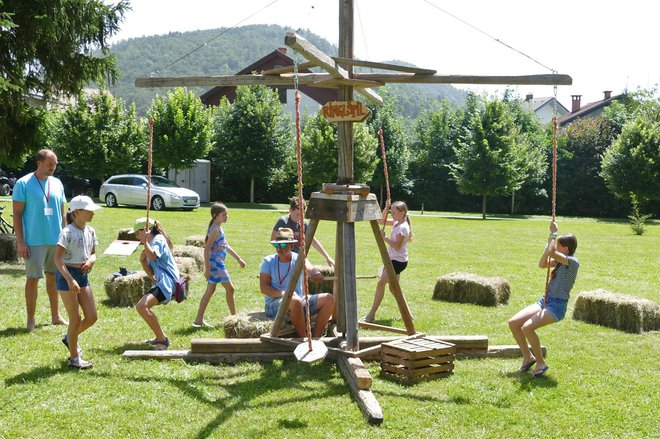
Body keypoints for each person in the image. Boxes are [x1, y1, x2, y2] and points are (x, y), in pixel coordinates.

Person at [508, 221, 579, 377]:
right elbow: (542, 264)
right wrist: (551, 242)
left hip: (557, 306)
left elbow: (552, 252)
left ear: (565, 249)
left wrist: (553, 234)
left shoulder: (572, 263)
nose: (555, 246)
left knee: (527, 327)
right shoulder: (559, 262)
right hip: (545, 301)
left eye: (559, 245)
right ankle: (528, 357)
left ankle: (540, 363)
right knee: (514, 323)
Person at [12, 149, 68, 329]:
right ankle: (30, 320)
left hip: (55, 240)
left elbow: (62, 212)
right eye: (50, 164)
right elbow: (17, 214)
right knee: (33, 279)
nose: (53, 167)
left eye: (55, 164)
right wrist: (20, 241)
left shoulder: (57, 183)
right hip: (34, 241)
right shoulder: (23, 183)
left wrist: (66, 236)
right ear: (39, 163)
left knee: (54, 278)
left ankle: (55, 316)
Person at [54, 196, 102, 369]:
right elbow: (57, 259)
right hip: (67, 275)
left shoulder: (90, 231)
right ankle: (74, 358)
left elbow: (94, 253)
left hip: (82, 276)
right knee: (75, 318)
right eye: (88, 210)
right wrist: (70, 279)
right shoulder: (67, 232)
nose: (92, 213)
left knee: (91, 317)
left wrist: (91, 261)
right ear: (76, 212)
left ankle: (70, 338)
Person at [260, 228, 335, 338]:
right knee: (295, 300)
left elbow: (311, 270)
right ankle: (304, 339)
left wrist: (316, 274)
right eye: (277, 246)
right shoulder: (268, 261)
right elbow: (264, 288)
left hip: (298, 301)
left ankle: (316, 338)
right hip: (274, 304)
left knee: (329, 299)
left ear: (291, 246)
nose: (280, 249)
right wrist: (283, 294)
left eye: (284, 246)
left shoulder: (299, 258)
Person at [193, 202, 246, 327]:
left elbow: (225, 246)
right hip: (216, 265)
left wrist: (238, 259)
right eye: (224, 214)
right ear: (215, 216)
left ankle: (198, 320)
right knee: (230, 289)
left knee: (210, 290)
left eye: (227, 214)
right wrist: (207, 270)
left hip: (216, 263)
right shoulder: (215, 230)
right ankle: (235, 319)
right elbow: (206, 249)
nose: (226, 216)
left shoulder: (218, 228)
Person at [134, 217, 180, 350]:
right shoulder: (151, 243)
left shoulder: (158, 240)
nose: (137, 237)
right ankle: (160, 337)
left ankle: (162, 339)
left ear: (146, 230)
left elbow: (153, 256)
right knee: (142, 307)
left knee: (142, 307)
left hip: (168, 283)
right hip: (161, 283)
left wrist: (145, 244)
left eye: (138, 233)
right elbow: (151, 274)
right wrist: (143, 262)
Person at [363, 201, 413, 323]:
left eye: (394, 212)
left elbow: (397, 246)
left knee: (381, 284)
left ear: (402, 213)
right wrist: (386, 207)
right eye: (392, 212)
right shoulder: (397, 223)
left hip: (397, 262)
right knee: (394, 289)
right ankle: (408, 315)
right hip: (394, 260)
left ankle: (371, 315)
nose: (392, 214)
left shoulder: (403, 228)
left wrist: (384, 238)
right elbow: (381, 221)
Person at [272, 197, 334, 267]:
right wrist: (284, 251)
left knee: (315, 274)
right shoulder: (283, 222)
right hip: (286, 259)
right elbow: (273, 239)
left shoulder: (303, 223)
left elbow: (312, 240)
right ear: (290, 210)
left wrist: (327, 256)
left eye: (302, 215)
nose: (299, 218)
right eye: (297, 214)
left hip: (300, 258)